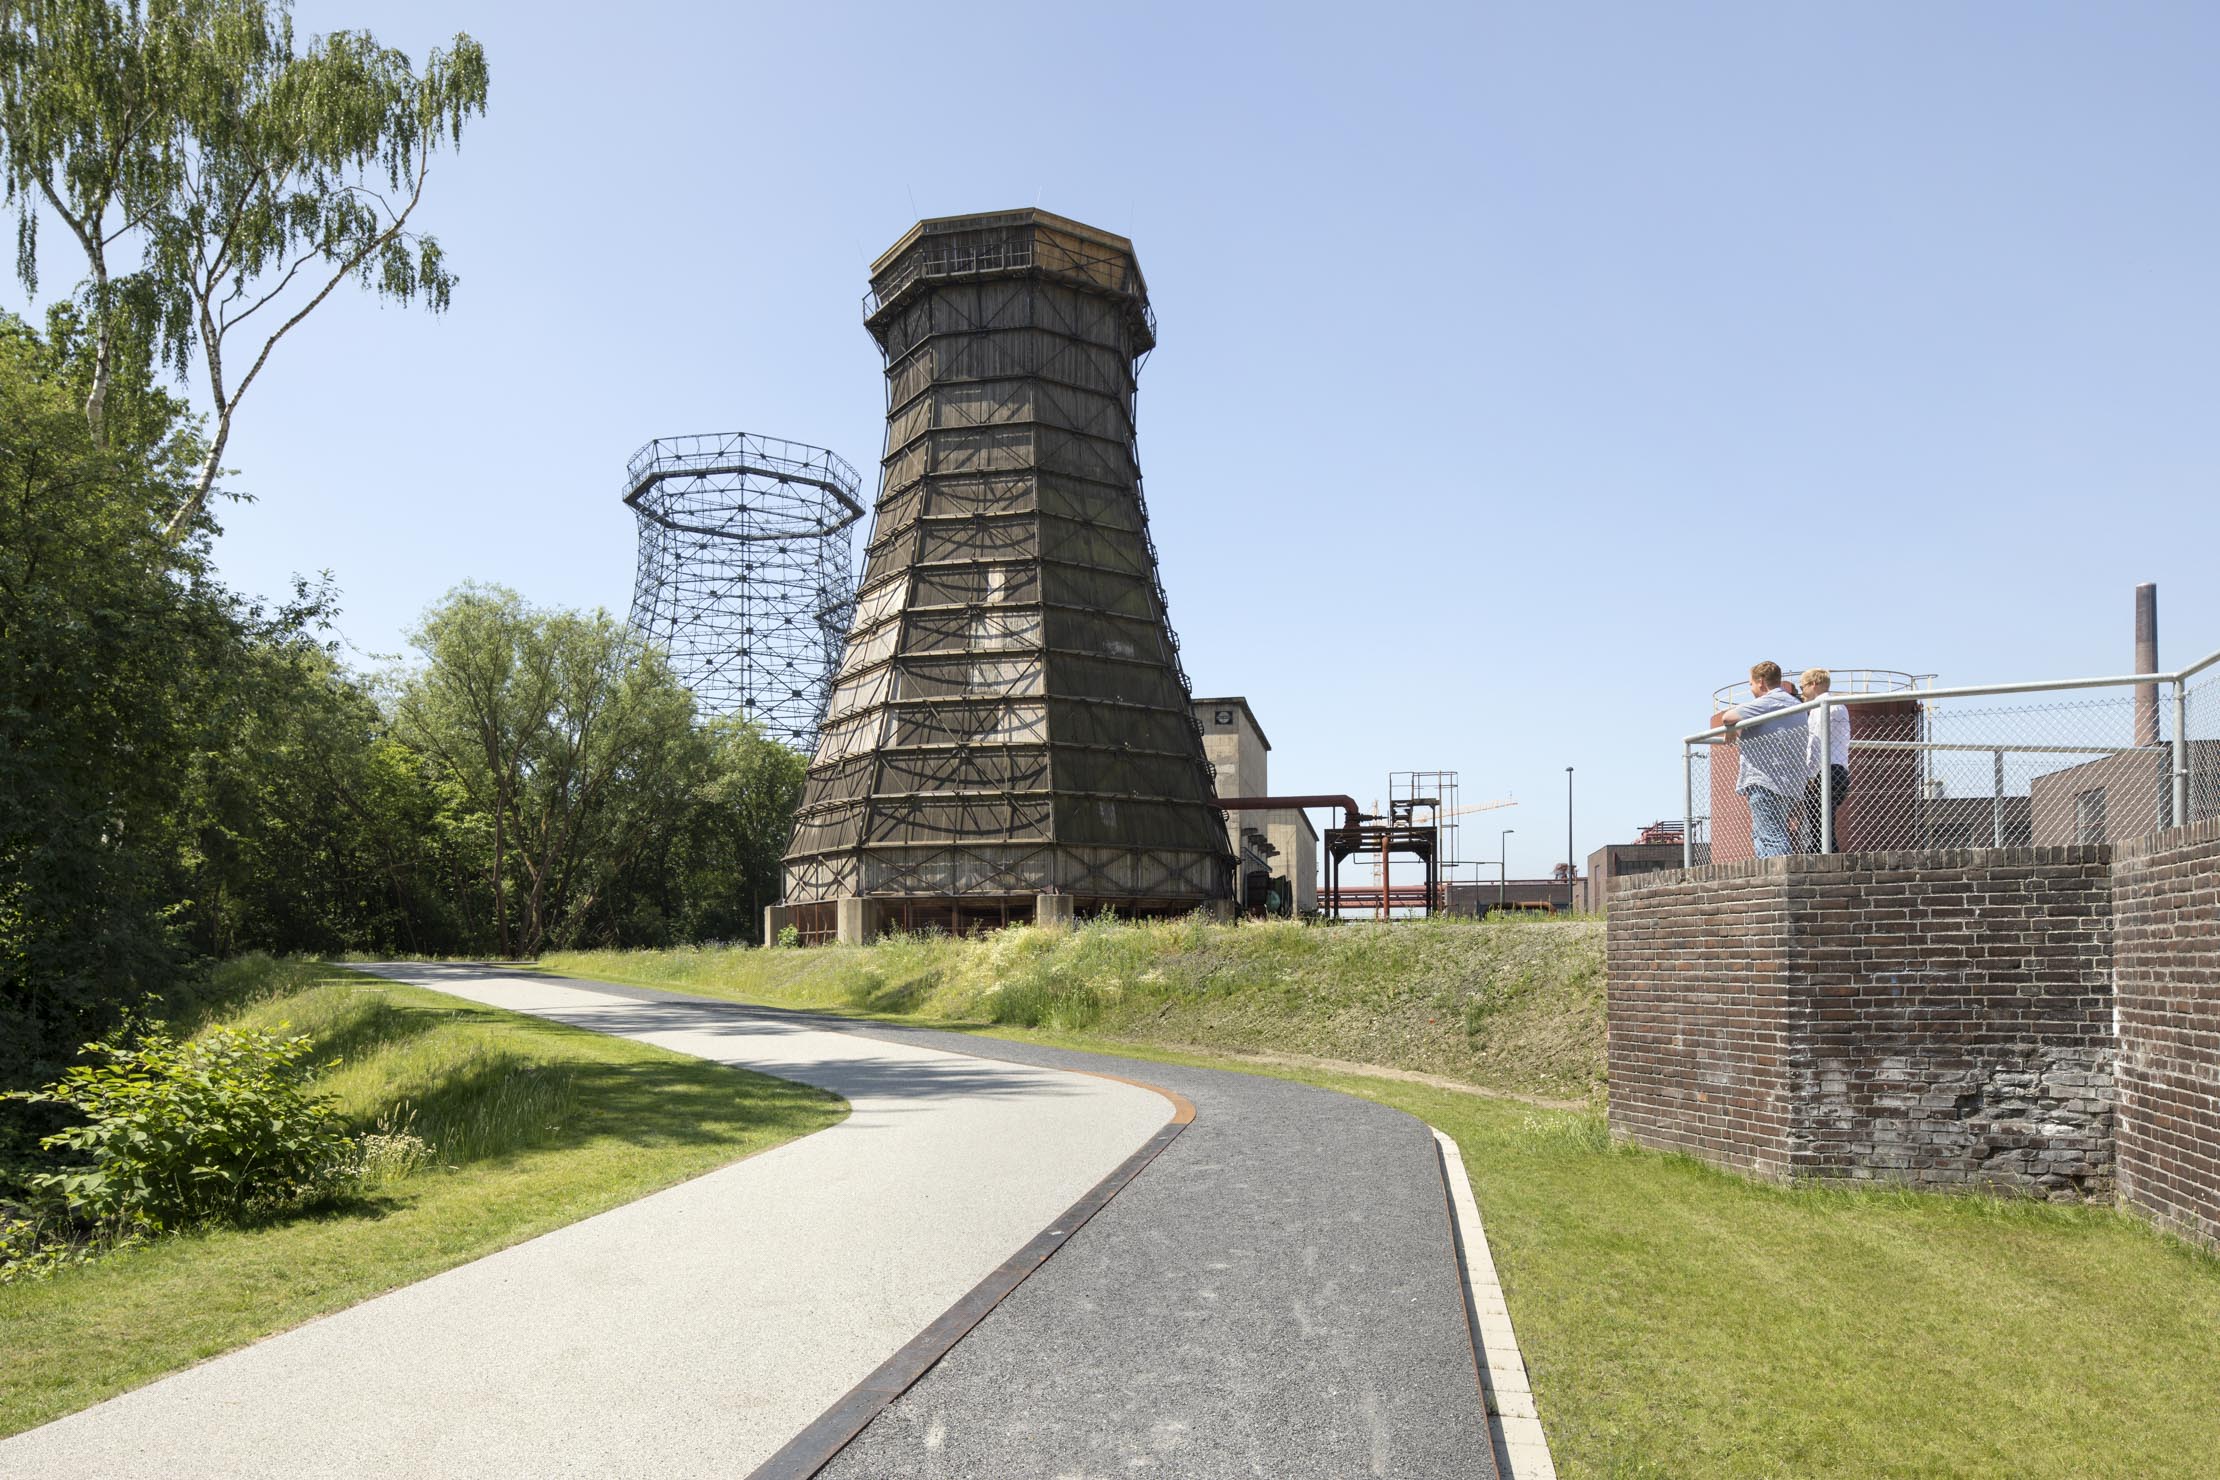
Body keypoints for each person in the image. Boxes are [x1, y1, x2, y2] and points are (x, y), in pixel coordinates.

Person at [1719, 661, 1807, 858]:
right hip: (1789, 781)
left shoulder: (1769, 701)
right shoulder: (1797, 704)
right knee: (1761, 833)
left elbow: (1728, 716)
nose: (1750, 689)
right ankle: (1767, 877)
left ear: (1761, 682)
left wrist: (1732, 727)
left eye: (1750, 684)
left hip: (1765, 779)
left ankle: (1780, 880)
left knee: (1771, 836)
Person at [1799, 668, 1852, 852]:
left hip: (1824, 770)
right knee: (1826, 821)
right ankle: (1825, 852)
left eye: (1802, 686)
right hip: (1840, 769)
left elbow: (1815, 743)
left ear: (1813, 684)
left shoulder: (1818, 709)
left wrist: (1811, 776)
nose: (1801, 692)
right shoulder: (1840, 705)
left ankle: (1822, 855)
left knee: (1817, 822)